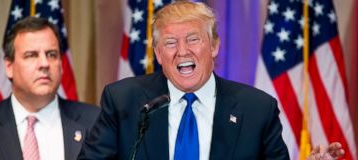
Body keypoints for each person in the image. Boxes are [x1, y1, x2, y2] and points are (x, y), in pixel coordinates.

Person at [78, 1, 344, 160]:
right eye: (170, 42)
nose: (182, 51)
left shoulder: (256, 109)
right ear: (158, 53)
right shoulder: (124, 101)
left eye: (193, 39)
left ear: (214, 46)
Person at [0, 17, 100, 160]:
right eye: (31, 55)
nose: (44, 63)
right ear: (9, 67)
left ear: (61, 64)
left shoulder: (96, 121)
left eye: (52, 54)